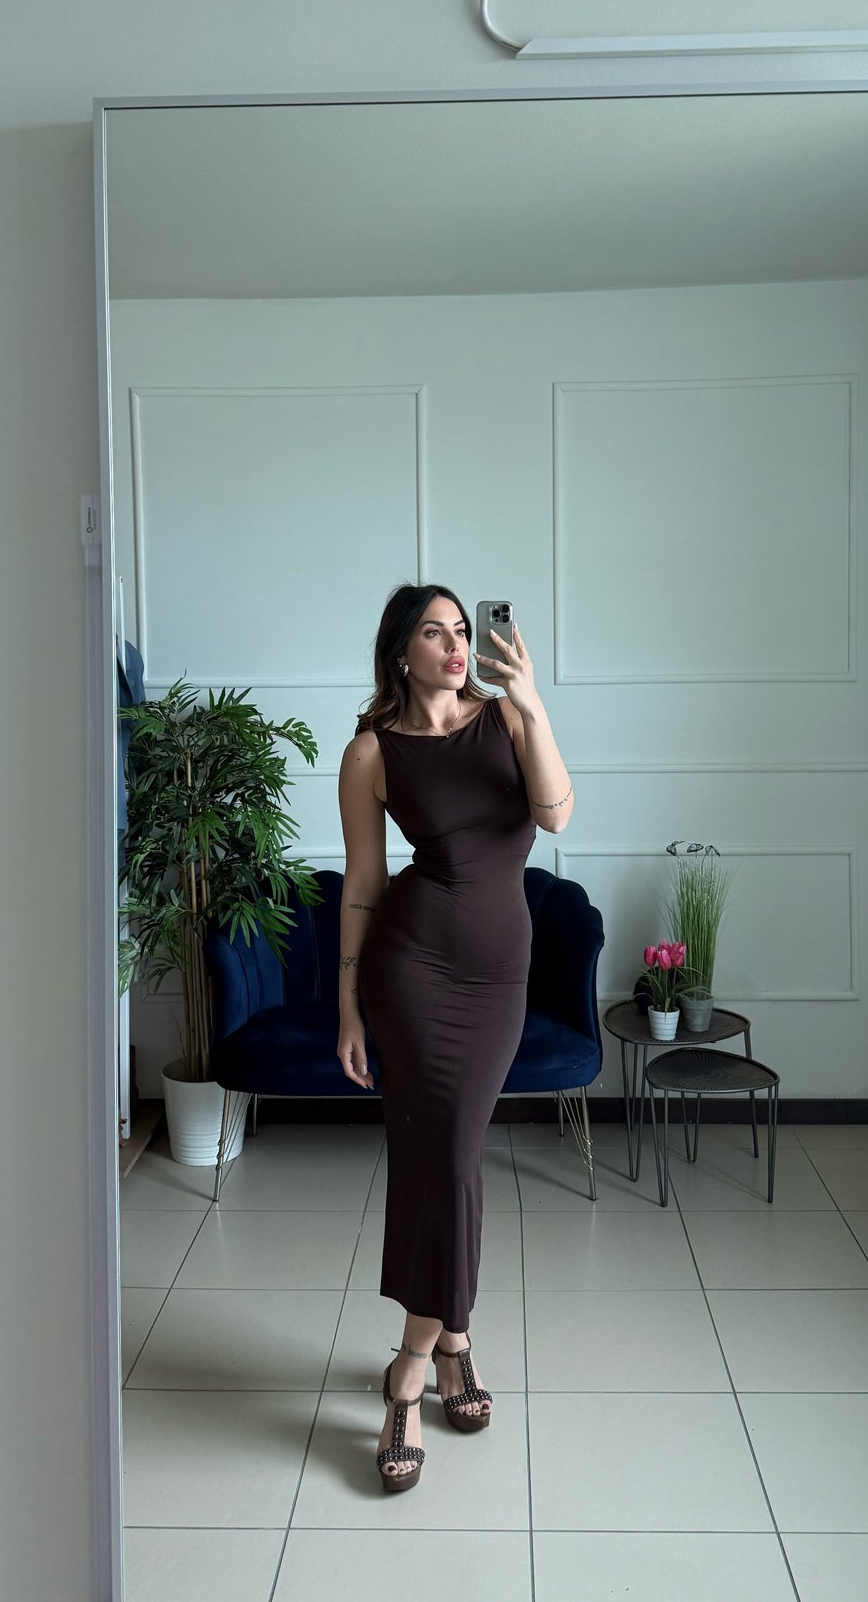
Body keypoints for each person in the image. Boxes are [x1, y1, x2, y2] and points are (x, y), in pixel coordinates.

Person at [336, 583, 574, 1492]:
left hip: (495, 979)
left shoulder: (506, 719)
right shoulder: (371, 751)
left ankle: (433, 1346)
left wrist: (532, 703)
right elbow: (363, 883)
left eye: (462, 630)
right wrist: (348, 1005)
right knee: (439, 1159)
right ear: (400, 650)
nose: (455, 644)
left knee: (453, 1155)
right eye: (433, 632)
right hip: (410, 971)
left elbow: (555, 813)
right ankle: (428, 1359)